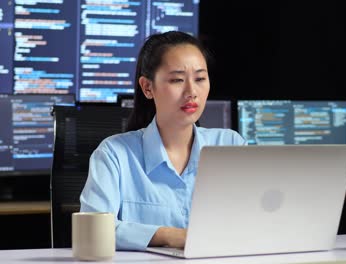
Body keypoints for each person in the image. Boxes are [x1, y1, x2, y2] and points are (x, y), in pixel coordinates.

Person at [79, 31, 246, 251]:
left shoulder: (229, 145)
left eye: (200, 79)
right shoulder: (114, 154)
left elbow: (256, 220)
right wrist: (168, 235)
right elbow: (92, 232)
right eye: (177, 80)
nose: (191, 92)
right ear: (148, 87)